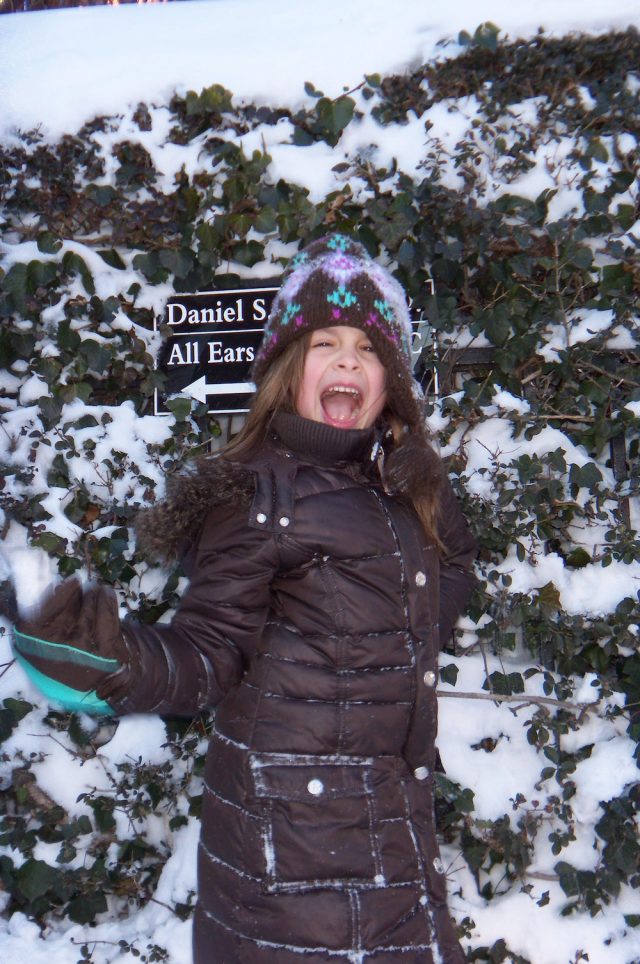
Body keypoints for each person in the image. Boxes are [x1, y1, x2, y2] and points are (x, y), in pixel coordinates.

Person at [11, 234, 477, 963]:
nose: (349, 360)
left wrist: (392, 646)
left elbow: (453, 564)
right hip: (292, 858)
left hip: (393, 832)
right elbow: (205, 653)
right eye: (326, 342)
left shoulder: (406, 488)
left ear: (391, 381)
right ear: (291, 369)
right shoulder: (259, 494)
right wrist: (106, 658)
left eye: (370, 348)